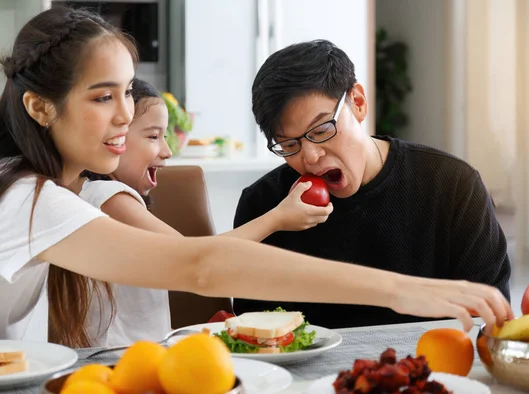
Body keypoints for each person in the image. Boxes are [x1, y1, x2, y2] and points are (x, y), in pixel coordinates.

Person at [0, 6, 511, 348]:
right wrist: (400, 291)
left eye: (128, 92)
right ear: (40, 108)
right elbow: (200, 265)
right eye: (101, 96)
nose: (123, 115)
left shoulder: (44, 191)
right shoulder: (31, 200)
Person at [233, 40, 513, 328]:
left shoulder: (453, 185)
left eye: (321, 129)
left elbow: (489, 319)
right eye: (289, 144)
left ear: (358, 103)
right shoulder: (264, 205)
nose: (311, 156)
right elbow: (254, 334)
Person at [73, 78, 334, 347]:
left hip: (137, 352)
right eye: (153, 136)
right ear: (113, 138)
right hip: (117, 361)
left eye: (165, 136)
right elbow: (194, 256)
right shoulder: (108, 198)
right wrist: (277, 218)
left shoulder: (101, 196)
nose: (167, 151)